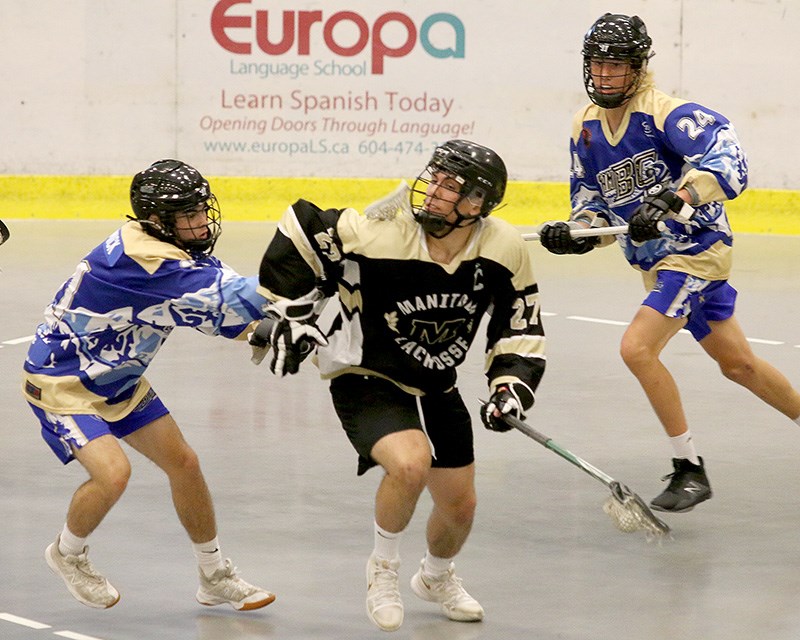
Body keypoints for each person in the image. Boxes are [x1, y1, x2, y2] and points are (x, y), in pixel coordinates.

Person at [254, 139, 547, 631]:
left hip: (436, 381)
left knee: (460, 505)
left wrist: (510, 385)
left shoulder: (504, 248)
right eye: (432, 178)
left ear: (476, 203)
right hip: (364, 370)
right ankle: (383, 570)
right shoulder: (379, 232)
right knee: (411, 464)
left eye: (448, 186)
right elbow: (301, 228)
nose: (430, 191)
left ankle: (435, 576)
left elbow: (519, 325)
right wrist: (286, 313)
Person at [20, 159, 314, 610]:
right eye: (189, 215)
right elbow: (233, 297)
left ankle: (214, 575)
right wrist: (314, 271)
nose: (201, 223)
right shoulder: (146, 261)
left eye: (201, 210)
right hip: (62, 383)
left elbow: (211, 314)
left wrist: (266, 331)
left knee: (184, 463)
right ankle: (67, 554)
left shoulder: (177, 255)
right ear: (157, 220)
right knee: (114, 474)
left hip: (118, 378)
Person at [538, 13, 800, 513]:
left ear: (638, 68)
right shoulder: (585, 128)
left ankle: (689, 469)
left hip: (697, 251)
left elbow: (730, 162)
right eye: (598, 64)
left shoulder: (667, 114)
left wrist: (675, 197)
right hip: (657, 265)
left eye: (617, 65)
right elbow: (592, 202)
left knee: (636, 348)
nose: (606, 75)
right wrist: (577, 232)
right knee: (739, 365)